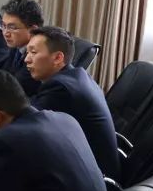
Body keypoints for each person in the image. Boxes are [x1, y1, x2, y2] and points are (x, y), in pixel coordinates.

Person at [25, 26, 120, 180]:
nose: (27, 59)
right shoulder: (77, 75)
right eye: (27, 52)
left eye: (33, 52)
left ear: (58, 58)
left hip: (89, 178)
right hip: (90, 168)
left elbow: (24, 122)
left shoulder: (61, 88)